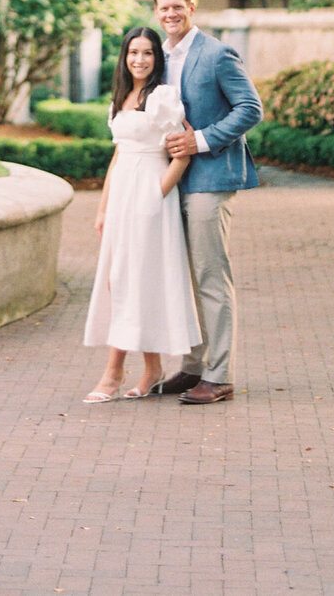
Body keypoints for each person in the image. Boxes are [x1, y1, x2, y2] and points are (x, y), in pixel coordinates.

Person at [153, 0, 263, 405]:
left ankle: (219, 375)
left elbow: (250, 108)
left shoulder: (217, 54)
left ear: (192, 7)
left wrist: (199, 140)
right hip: (170, 179)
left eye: (178, 6)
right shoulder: (158, 57)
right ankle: (193, 367)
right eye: (163, 8)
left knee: (210, 277)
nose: (171, 14)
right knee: (183, 277)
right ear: (157, 13)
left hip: (212, 177)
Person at [82, 26, 200, 402]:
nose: (140, 59)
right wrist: (103, 207)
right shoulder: (121, 97)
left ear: (157, 58)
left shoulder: (163, 96)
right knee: (123, 280)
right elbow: (118, 156)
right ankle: (152, 368)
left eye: (148, 53)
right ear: (124, 56)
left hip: (150, 194)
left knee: (134, 279)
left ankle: (112, 373)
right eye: (134, 52)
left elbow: (182, 149)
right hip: (121, 199)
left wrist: (156, 195)